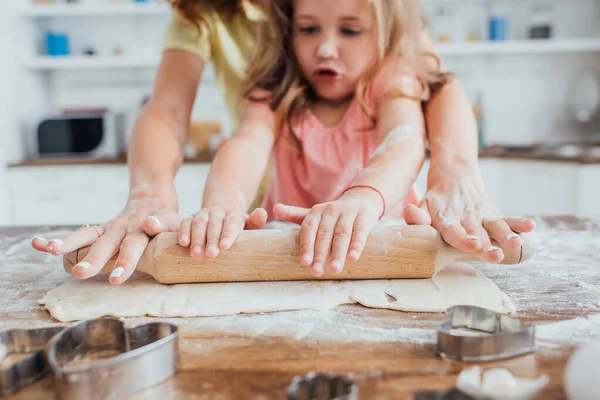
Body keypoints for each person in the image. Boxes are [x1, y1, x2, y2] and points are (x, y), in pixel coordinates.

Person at [31, 0, 535, 284]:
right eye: (308, 29)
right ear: (287, 32)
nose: (326, 47)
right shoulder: (275, 88)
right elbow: (245, 143)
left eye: (351, 29)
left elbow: (405, 138)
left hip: (381, 241)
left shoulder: (391, 77)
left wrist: (364, 197)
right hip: (280, 249)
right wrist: (221, 206)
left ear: (382, 35)